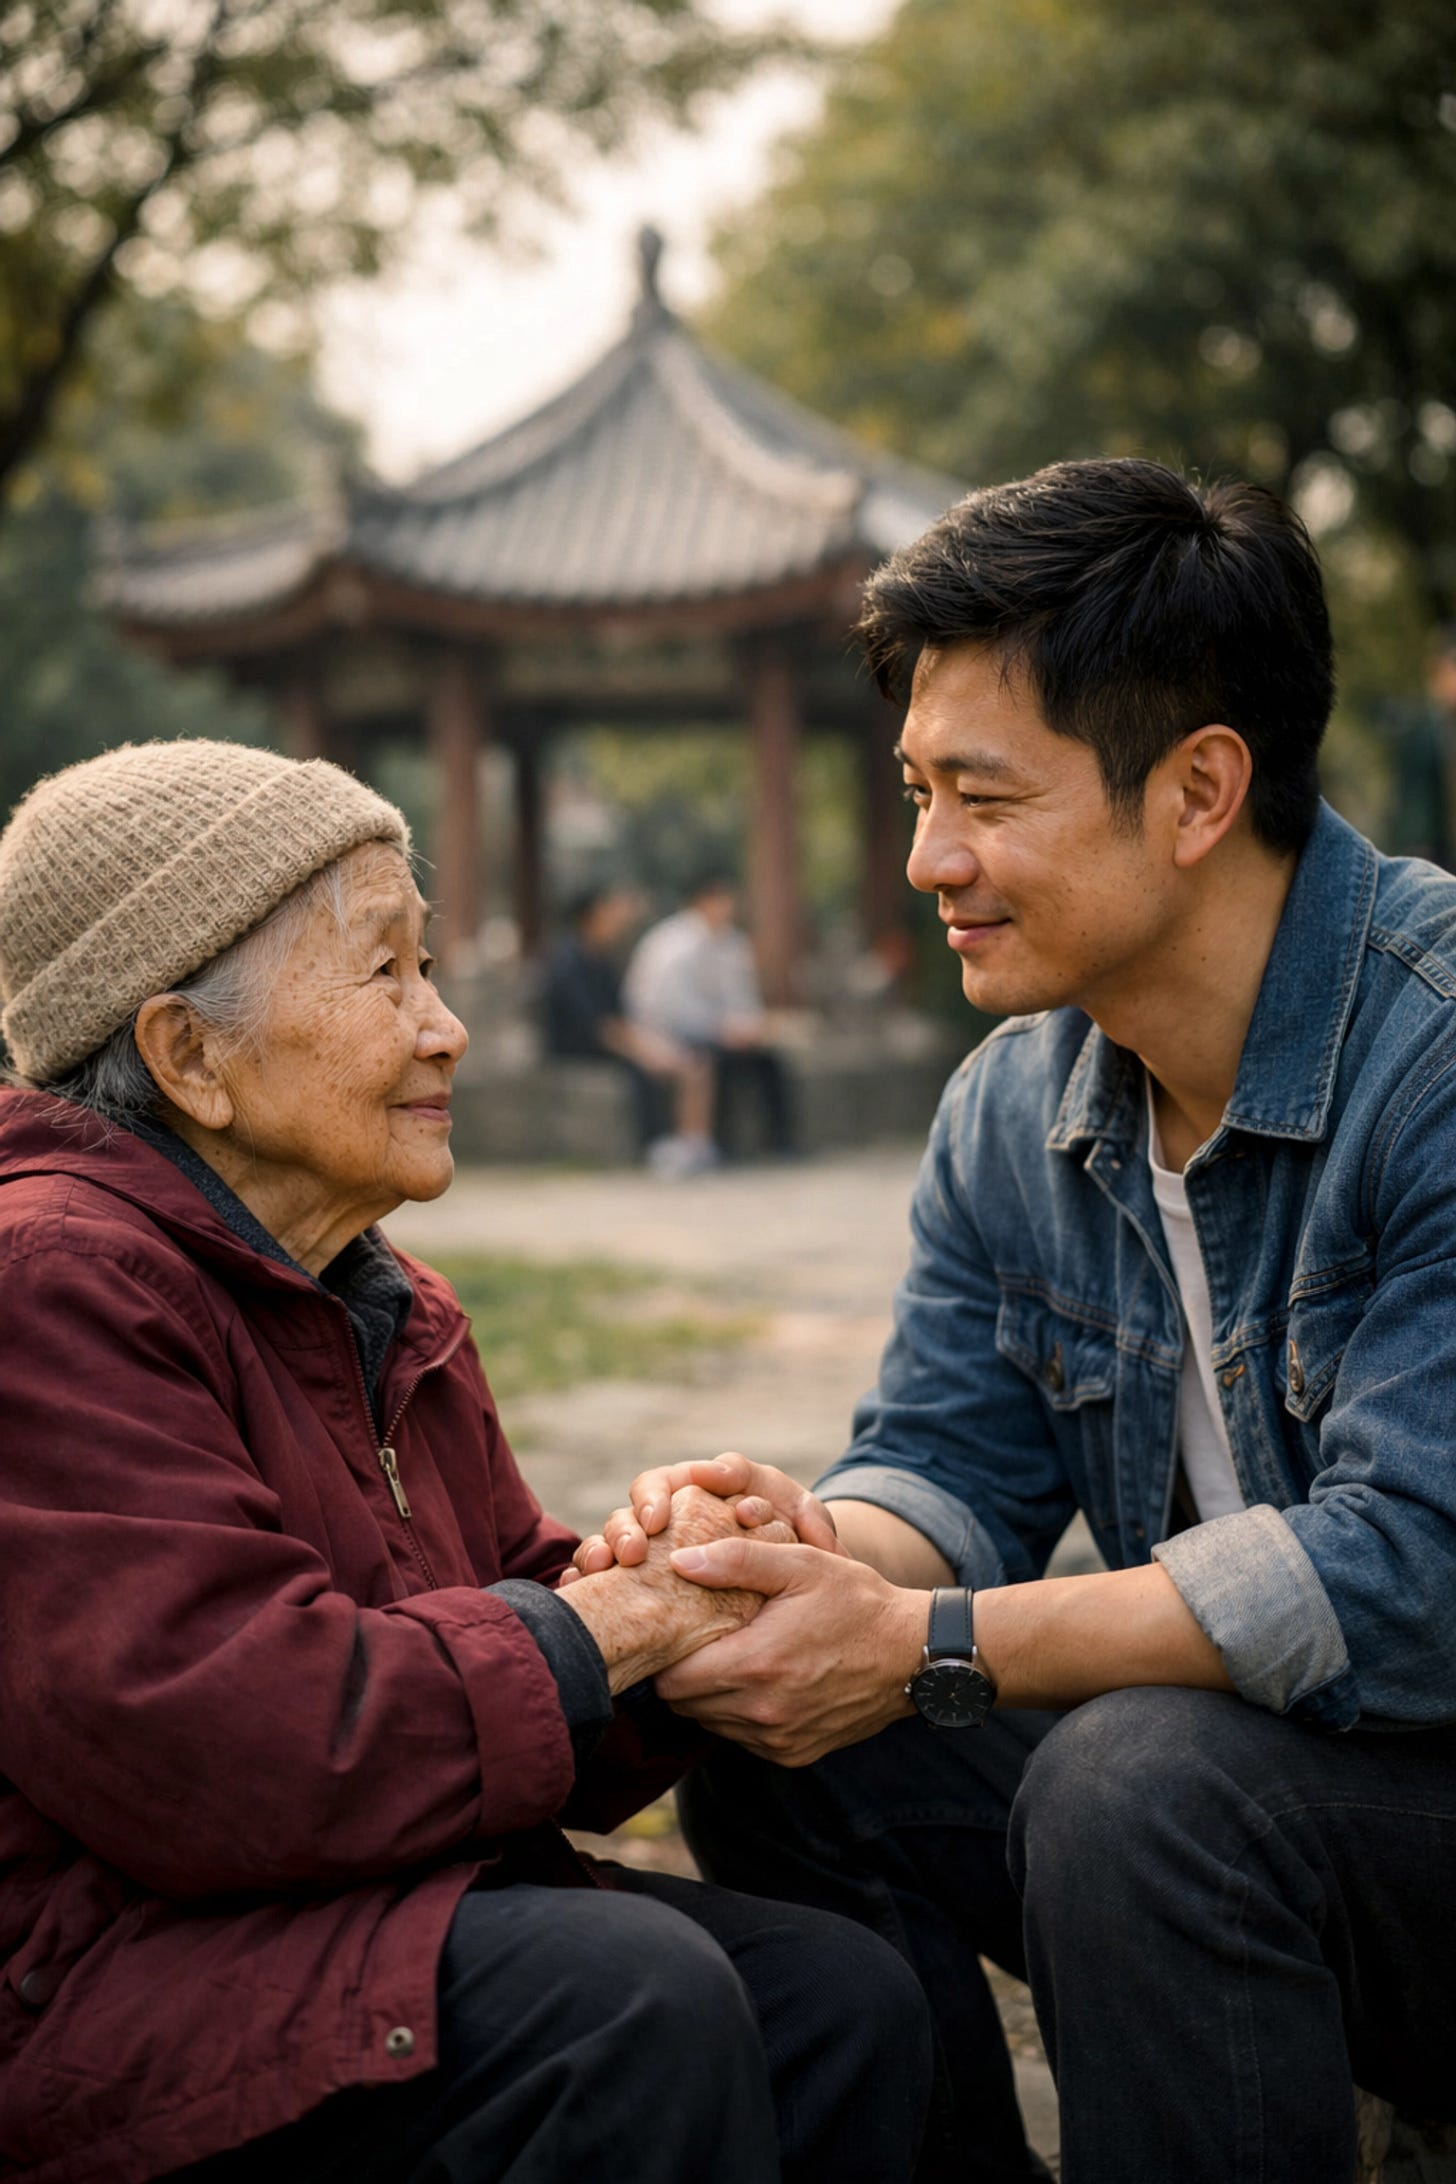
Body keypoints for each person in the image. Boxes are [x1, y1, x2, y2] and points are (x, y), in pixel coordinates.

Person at [577, 459, 1456, 2184]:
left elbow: (1416, 1573)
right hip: (1265, 1793)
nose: (928, 858)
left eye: (981, 796)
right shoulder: (1012, 1103)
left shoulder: (1432, 1050)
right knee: (785, 1742)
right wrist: (795, 1554)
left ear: (1198, 791)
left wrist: (930, 1643)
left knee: (1136, 1782)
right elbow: (947, 1462)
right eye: (918, 791)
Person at [0, 740, 931, 2184]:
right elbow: (242, 1746)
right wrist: (604, 1625)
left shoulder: (382, 1300)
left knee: (836, 2001)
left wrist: (692, 1580)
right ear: (188, 1055)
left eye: (427, 969)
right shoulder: (52, 1283)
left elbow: (516, 1633)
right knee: (628, 2002)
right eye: (385, 974)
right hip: (103, 1973)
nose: (446, 1028)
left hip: (344, 1906)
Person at [538, 883, 715, 1172]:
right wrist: (643, 1051)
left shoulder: (602, 958)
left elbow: (620, 1017)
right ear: (593, 915)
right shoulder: (568, 961)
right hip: (577, 1044)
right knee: (643, 1072)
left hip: (608, 1037)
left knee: (683, 1060)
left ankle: (692, 1145)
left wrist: (652, 1045)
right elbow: (594, 1026)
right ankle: (655, 1146)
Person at [624, 874, 794, 1161]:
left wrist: (749, 1026)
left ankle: (778, 1141)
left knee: (769, 1063)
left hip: (724, 1032)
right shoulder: (672, 945)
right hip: (672, 1031)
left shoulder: (732, 943)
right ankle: (713, 1142)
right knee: (713, 1061)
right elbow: (673, 1005)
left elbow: (741, 996)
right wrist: (721, 1029)